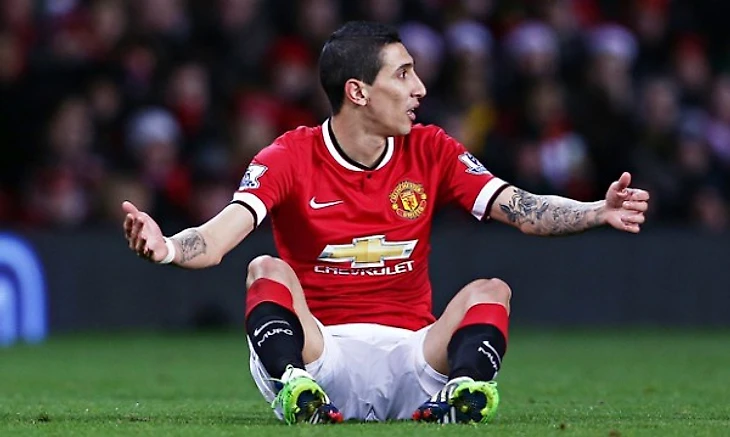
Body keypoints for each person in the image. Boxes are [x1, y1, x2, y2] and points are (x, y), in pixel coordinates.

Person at [122, 21, 650, 425]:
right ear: (358, 92)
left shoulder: (432, 149)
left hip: (413, 359)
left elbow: (521, 208)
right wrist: (167, 247)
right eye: (403, 74)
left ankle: (464, 391)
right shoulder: (288, 157)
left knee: (492, 290)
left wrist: (597, 211)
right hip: (321, 354)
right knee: (265, 268)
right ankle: (292, 387)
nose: (419, 88)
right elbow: (218, 238)